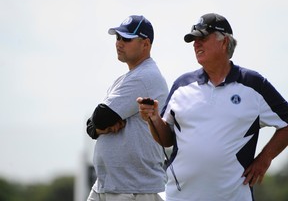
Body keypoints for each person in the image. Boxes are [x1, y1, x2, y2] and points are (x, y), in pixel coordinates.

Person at [137, 13, 288, 201]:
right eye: (194, 40)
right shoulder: (181, 85)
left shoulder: (253, 84)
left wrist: (266, 158)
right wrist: (153, 118)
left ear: (224, 42)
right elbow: (166, 139)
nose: (196, 44)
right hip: (179, 197)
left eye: (202, 38)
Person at [86, 15, 169, 201]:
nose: (119, 43)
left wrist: (97, 126)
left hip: (133, 188)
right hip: (109, 185)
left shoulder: (144, 76)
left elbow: (100, 117)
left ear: (145, 44)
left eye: (127, 39)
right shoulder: (128, 77)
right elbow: (95, 123)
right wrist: (98, 128)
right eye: (118, 38)